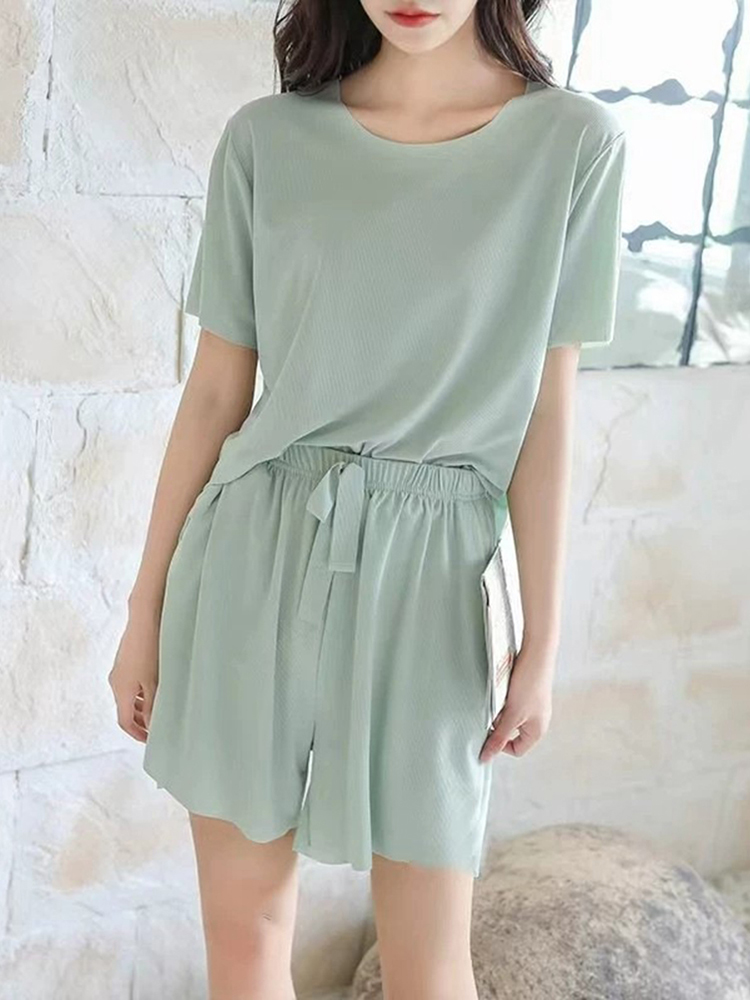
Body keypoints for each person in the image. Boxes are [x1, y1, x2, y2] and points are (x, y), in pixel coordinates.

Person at [109, 0, 627, 996]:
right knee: (245, 932)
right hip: (253, 548)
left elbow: (547, 411)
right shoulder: (267, 141)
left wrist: (543, 642)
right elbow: (215, 393)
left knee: (430, 960)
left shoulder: (573, 144)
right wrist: (144, 612)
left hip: (438, 574)